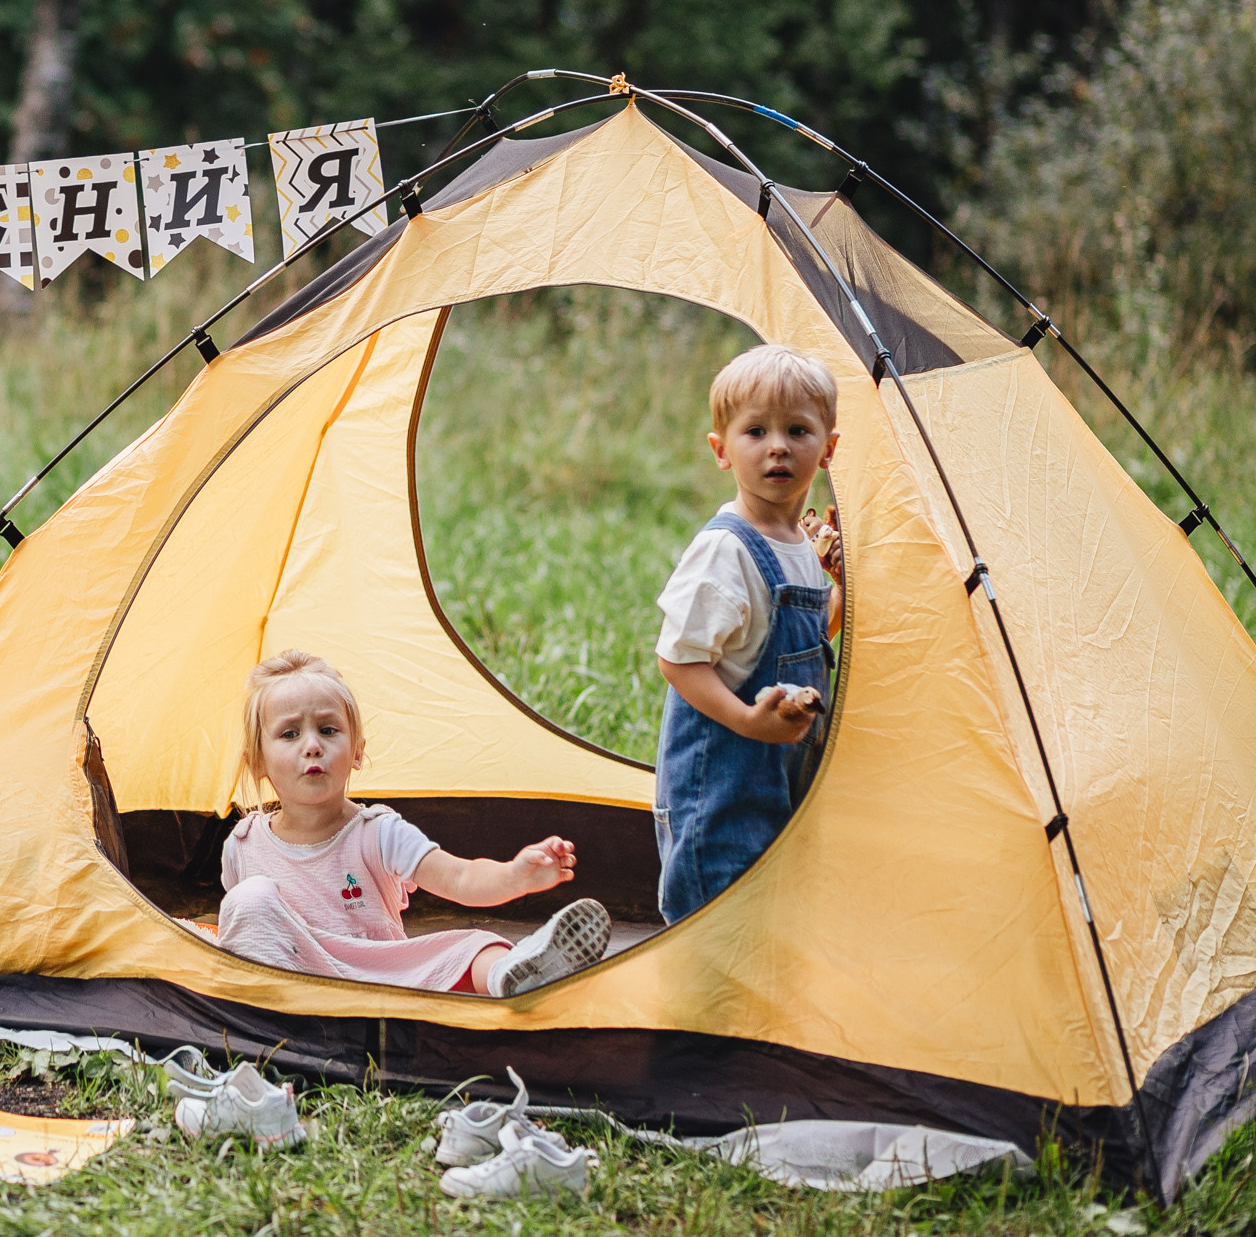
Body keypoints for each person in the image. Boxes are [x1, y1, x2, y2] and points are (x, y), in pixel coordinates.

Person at [212, 650, 612, 996]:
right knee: (249, 901)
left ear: (356, 751)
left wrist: (515, 876)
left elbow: (459, 879)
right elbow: (247, 931)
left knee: (472, 946)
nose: (312, 744)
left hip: (384, 981)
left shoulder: (379, 832)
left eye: (328, 729)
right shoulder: (243, 847)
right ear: (258, 762)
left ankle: (514, 975)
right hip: (293, 982)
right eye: (290, 733)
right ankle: (263, 1008)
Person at [653, 344, 846, 925]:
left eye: (798, 430)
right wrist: (745, 720)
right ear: (721, 451)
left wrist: (839, 590)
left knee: (768, 926)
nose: (778, 446)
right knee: (714, 926)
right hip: (719, 794)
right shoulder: (725, 550)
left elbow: (803, 632)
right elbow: (678, 661)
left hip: (782, 782)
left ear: (829, 449)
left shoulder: (805, 546)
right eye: (756, 431)